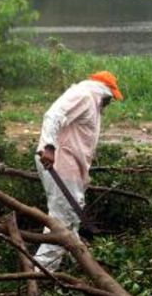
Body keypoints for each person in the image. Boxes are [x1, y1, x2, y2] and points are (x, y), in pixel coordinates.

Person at [33, 71, 123, 271]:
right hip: (60, 163)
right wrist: (48, 147)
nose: (109, 104)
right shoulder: (83, 95)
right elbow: (53, 115)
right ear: (105, 93)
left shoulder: (91, 101)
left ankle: (81, 266)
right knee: (62, 222)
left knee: (71, 217)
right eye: (110, 99)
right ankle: (38, 277)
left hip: (68, 167)